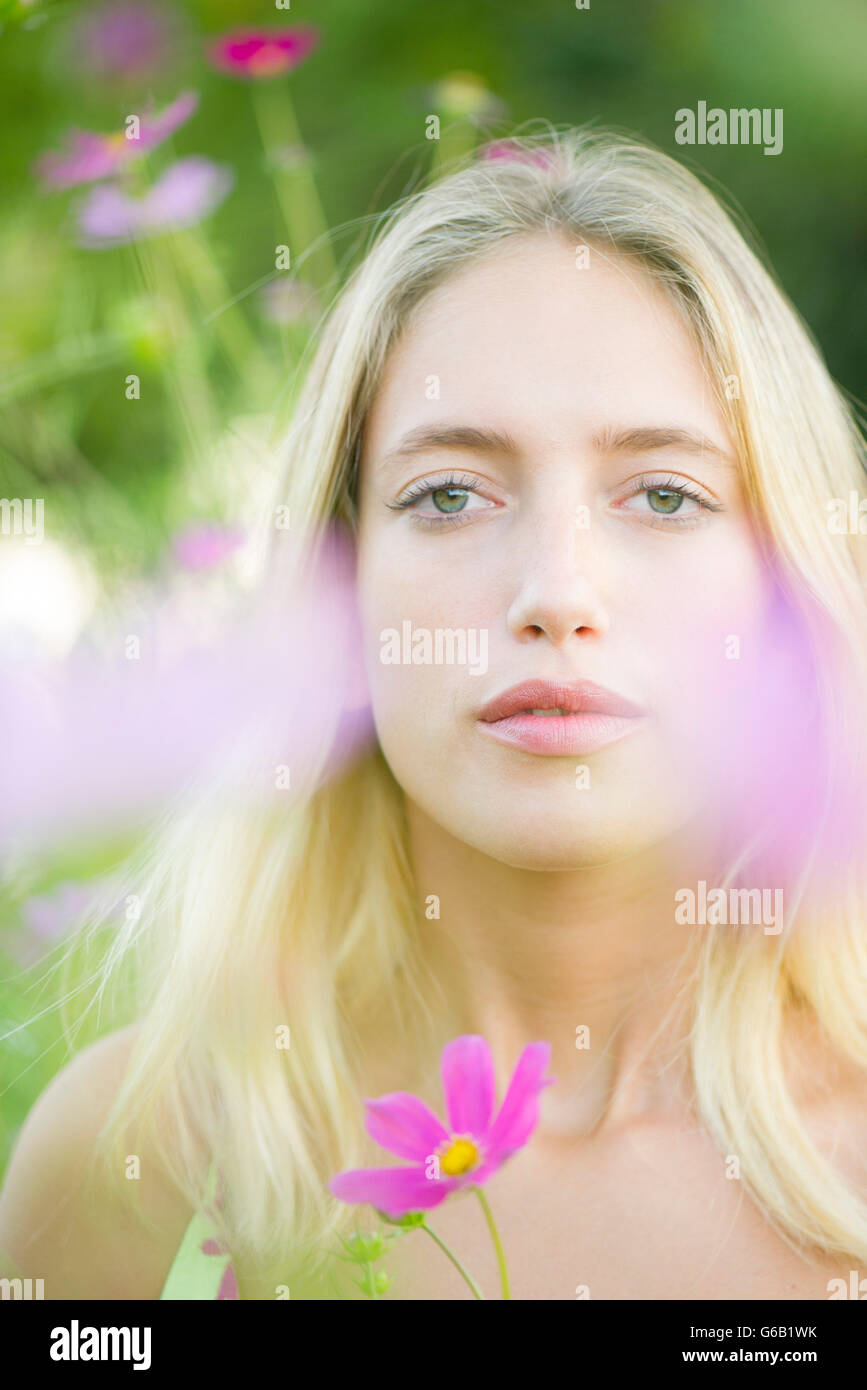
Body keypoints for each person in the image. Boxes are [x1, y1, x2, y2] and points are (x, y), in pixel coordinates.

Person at [2, 124, 867, 1301]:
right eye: (449, 493)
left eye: (665, 493)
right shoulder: (134, 1168)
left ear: (780, 582)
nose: (557, 592)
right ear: (336, 587)